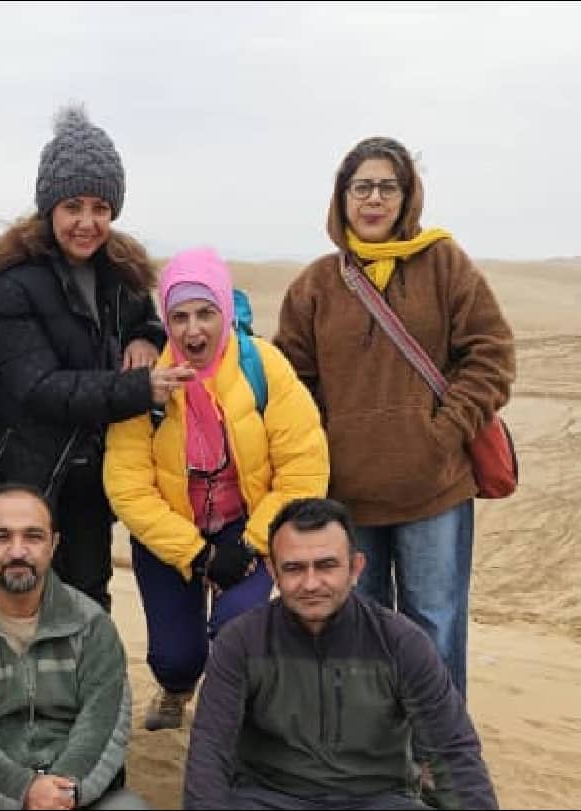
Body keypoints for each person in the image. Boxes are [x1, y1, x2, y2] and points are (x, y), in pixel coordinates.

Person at [273, 137, 515, 700]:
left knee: (434, 627)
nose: (374, 199)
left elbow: (492, 355)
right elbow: (291, 383)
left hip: (435, 487)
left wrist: (443, 432)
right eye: (362, 187)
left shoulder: (444, 264)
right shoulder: (315, 285)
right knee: (361, 630)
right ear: (342, 197)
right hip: (348, 497)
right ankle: (375, 744)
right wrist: (326, 441)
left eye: (388, 186)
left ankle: (439, 745)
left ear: (408, 197)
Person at [0, 104, 192, 613]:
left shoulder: (122, 270)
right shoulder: (12, 281)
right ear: (49, 206)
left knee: (91, 599)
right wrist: (140, 388)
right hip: (25, 469)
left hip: (92, 470)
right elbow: (39, 387)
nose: (87, 222)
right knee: (21, 597)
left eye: (100, 207)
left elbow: (146, 321)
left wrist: (145, 337)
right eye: (73, 206)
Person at [104, 247, 329, 732]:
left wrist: (252, 543)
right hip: (171, 534)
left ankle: (229, 724)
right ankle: (176, 688)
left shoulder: (264, 366)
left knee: (237, 632)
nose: (193, 330)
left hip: (248, 529)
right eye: (179, 317)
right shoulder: (145, 380)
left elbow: (303, 468)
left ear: (225, 310)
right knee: (175, 656)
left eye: (205, 313)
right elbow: (127, 486)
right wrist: (198, 555)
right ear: (165, 320)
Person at [184, 497, 498, 810]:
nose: (311, 583)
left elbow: (452, 750)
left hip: (379, 799)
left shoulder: (401, 642)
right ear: (273, 572)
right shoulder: (241, 642)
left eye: (326, 565)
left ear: (355, 568)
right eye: (294, 568)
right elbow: (210, 750)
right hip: (268, 797)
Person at [0, 483, 149, 811]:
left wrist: (62, 791)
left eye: (33, 536)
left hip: (73, 791)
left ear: (53, 544)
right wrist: (24, 790)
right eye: (1, 537)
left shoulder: (92, 625)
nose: (17, 551)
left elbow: (103, 723)